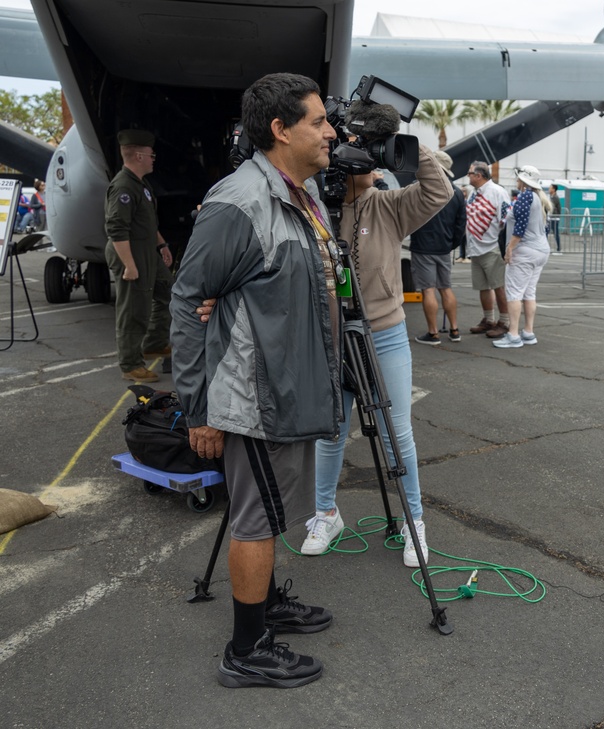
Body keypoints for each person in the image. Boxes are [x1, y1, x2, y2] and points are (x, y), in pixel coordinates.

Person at [170, 72, 343, 689]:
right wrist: (198, 409)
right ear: (280, 129)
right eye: (319, 121)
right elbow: (189, 300)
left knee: (271, 512)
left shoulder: (300, 194)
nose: (330, 131)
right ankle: (247, 649)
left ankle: (266, 604)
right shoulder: (239, 201)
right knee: (256, 519)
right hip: (255, 397)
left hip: (287, 385)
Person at [300, 139, 452, 563]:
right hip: (329, 335)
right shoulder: (313, 206)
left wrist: (404, 144)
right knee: (330, 432)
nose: (370, 162)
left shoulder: (387, 205)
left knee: (396, 431)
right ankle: (326, 513)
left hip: (383, 333)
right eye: (359, 155)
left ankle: (413, 521)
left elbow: (439, 191)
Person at [104, 129, 173, 383]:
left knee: (168, 292)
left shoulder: (140, 184)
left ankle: (154, 342)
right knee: (133, 308)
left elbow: (146, 222)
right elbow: (116, 228)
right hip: (129, 253)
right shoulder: (123, 187)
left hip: (146, 252)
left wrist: (162, 245)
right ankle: (130, 364)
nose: (154, 158)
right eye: (151, 154)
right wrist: (129, 265)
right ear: (138, 156)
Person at [409, 150, 467, 345]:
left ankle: (433, 333)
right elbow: (461, 224)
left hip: (423, 246)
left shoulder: (420, 188)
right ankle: (454, 329)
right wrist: (452, 244)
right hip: (444, 247)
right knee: (445, 288)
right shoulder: (457, 192)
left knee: (428, 289)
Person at [493, 165, 551, 349]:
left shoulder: (525, 196)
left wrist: (509, 249)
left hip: (525, 250)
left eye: (518, 178)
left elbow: (520, 226)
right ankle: (528, 332)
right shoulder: (539, 198)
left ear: (523, 180)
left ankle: (513, 335)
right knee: (529, 292)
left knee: (515, 292)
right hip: (540, 250)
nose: (516, 181)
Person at [465, 160, 510, 338]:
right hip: (475, 247)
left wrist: (506, 247)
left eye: (470, 173)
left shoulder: (498, 192)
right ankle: (488, 319)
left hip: (492, 247)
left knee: (498, 286)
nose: (468, 176)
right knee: (483, 287)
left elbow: (506, 219)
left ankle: (505, 321)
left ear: (479, 175)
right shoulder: (473, 193)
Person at [548, 184, 562, 254]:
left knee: (555, 233)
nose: (549, 189)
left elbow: (552, 207)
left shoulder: (555, 198)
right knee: (547, 232)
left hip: (554, 218)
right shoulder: (552, 197)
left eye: (550, 188)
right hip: (552, 218)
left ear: (553, 189)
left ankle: (559, 248)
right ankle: (558, 248)